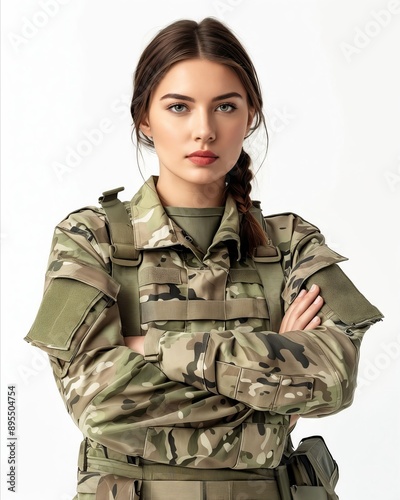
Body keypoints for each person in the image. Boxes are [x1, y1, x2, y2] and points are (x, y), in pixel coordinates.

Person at [25, 17, 383, 500]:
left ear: (250, 115)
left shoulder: (292, 243)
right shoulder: (93, 238)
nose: (204, 130)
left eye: (225, 107)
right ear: (144, 119)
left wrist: (150, 347)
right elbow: (99, 404)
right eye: (179, 107)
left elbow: (334, 380)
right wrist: (274, 401)